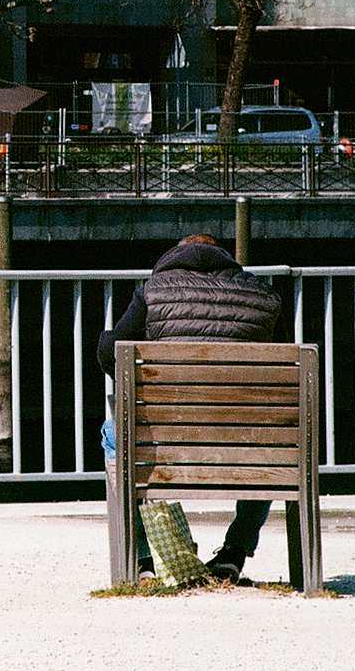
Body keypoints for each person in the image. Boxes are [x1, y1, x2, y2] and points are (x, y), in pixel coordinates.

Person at [97, 232, 283, 583]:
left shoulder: (152, 292)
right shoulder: (264, 296)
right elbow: (282, 368)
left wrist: (106, 342)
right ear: (225, 259)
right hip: (249, 449)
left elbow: (113, 355)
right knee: (276, 440)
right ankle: (235, 550)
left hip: (167, 447)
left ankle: (143, 559)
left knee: (113, 437)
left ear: (175, 257)